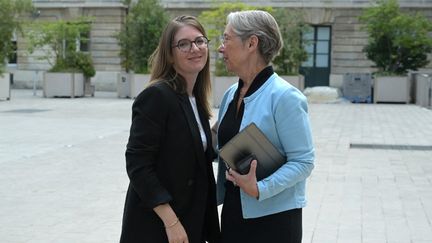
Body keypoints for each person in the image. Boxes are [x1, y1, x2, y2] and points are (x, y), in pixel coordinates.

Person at [214, 10, 315, 243]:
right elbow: (221, 144)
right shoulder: (231, 94)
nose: (221, 47)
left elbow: (304, 162)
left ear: (252, 43)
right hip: (233, 212)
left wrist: (261, 188)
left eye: (226, 39)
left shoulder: (285, 97)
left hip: (274, 222)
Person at [120, 15, 220, 243]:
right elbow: (138, 165)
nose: (194, 48)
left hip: (190, 220)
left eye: (200, 41)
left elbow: (196, 154)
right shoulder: (157, 96)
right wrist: (171, 222)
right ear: (170, 55)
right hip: (157, 225)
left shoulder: (196, 98)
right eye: (183, 44)